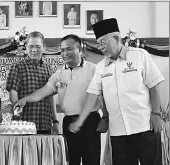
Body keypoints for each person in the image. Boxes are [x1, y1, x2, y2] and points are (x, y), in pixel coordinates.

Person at [70, 18, 164, 165]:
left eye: (103, 42)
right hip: (118, 132)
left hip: (145, 126)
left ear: (116, 38)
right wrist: (82, 120)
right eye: (98, 43)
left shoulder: (139, 56)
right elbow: (94, 95)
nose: (100, 46)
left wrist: (157, 114)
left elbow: (154, 86)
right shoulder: (101, 67)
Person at [13, 34, 109, 165]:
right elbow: (43, 91)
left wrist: (105, 118)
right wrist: (25, 99)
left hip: (90, 122)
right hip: (69, 122)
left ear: (79, 49)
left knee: (91, 160)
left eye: (69, 49)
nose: (65, 53)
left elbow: (104, 95)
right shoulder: (59, 74)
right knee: (71, 160)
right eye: (62, 50)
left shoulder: (94, 69)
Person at [6, 31, 59, 134]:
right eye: (31, 46)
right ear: (26, 47)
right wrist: (17, 112)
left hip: (45, 124)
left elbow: (51, 96)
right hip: (23, 125)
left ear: (44, 47)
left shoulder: (49, 69)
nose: (34, 50)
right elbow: (13, 93)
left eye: (38, 46)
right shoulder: (17, 67)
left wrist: (55, 121)